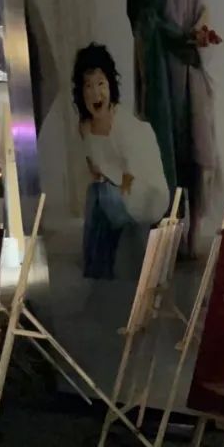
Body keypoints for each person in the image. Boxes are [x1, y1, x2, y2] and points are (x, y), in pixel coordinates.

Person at [127, 0, 222, 257]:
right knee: (167, 160)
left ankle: (194, 231)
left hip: (190, 75)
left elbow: (203, 20)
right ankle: (172, 229)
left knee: (197, 153)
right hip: (161, 79)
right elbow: (138, 24)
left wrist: (196, 37)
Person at [72, 43, 167, 280]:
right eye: (88, 86)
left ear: (111, 85)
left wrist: (109, 181)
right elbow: (94, 169)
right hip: (115, 192)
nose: (96, 93)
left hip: (145, 194)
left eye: (101, 84)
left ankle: (96, 270)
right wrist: (105, 180)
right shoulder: (85, 128)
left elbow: (134, 177)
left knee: (99, 193)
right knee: (97, 194)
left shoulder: (124, 125)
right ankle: (97, 269)